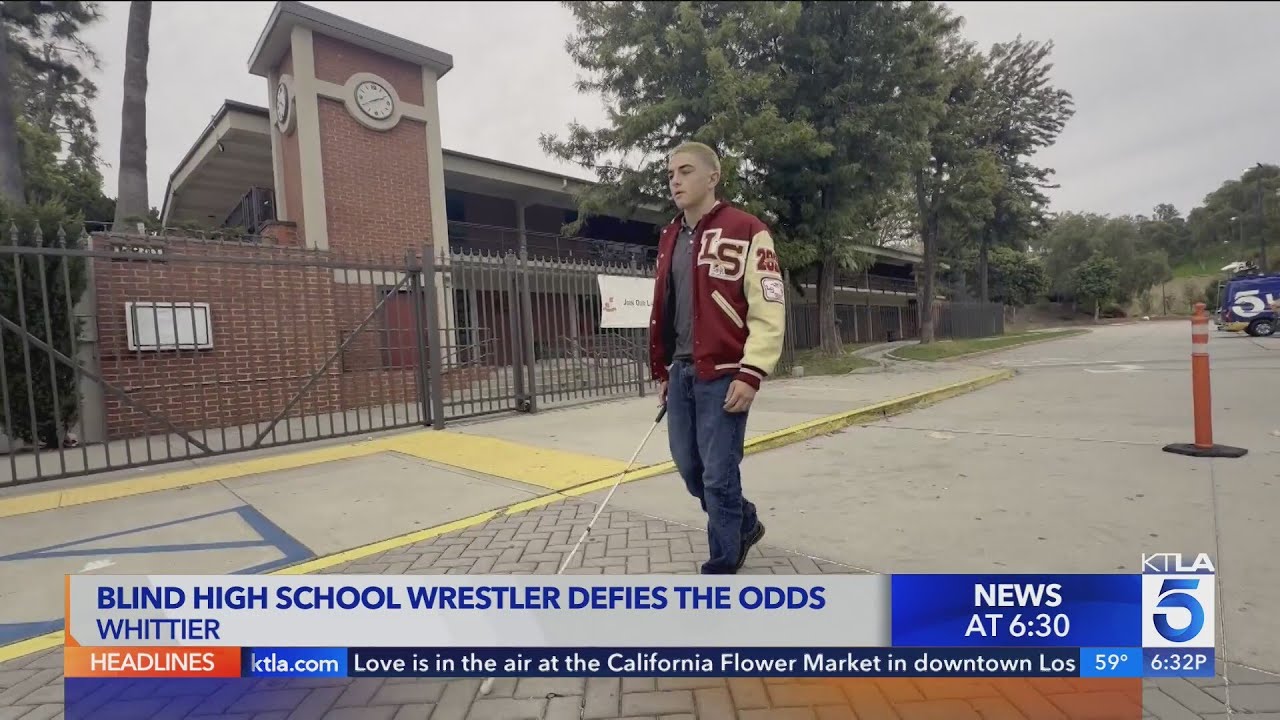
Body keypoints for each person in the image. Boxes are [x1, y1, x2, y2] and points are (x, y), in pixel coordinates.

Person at [648, 141, 787, 574]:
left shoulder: (748, 230)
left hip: (726, 374)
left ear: (713, 176)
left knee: (717, 473)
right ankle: (744, 522)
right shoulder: (670, 237)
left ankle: (724, 560)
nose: (675, 180)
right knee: (691, 469)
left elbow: (769, 306)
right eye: (670, 173)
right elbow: (666, 308)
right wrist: (664, 369)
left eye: (685, 171)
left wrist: (752, 372)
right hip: (683, 372)